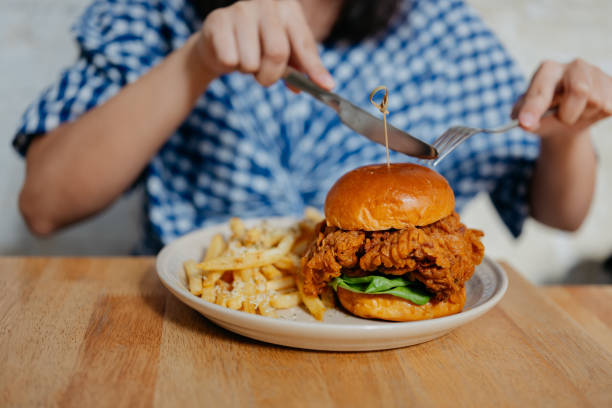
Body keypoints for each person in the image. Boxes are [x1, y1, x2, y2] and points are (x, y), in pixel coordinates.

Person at [14, 0, 611, 254]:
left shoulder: (442, 27)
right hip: (184, 320)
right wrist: (198, 59)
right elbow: (43, 204)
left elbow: (562, 213)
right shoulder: (156, 13)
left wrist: (566, 132)